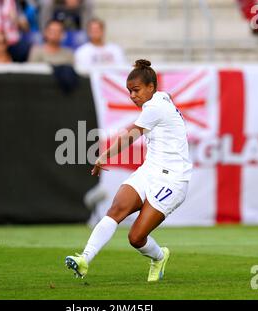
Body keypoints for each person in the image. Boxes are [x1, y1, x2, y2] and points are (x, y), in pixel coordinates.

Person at [65, 59, 192, 282]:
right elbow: (167, 98)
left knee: (136, 237)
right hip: (149, 170)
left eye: (136, 90)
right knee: (116, 209)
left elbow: (131, 135)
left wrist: (105, 155)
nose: (132, 96)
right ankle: (84, 259)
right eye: (129, 91)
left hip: (173, 181)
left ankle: (160, 257)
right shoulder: (162, 97)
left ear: (151, 87)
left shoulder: (154, 106)